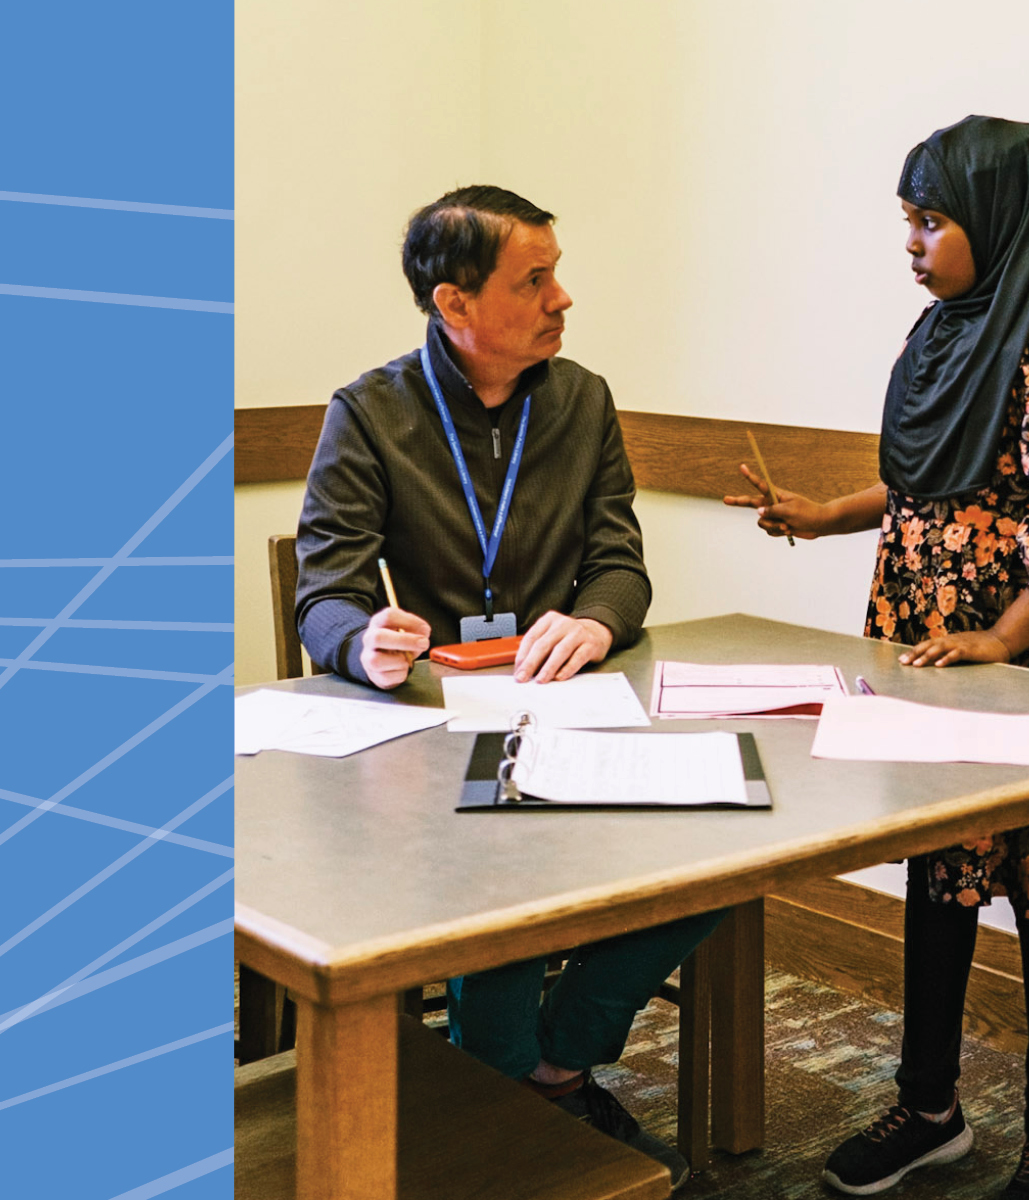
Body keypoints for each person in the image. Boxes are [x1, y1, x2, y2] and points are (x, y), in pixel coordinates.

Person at [725, 117, 1029, 1200]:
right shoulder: (947, 328)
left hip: (1024, 657)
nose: (911, 242)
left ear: (1002, 220)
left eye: (932, 219)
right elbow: (930, 480)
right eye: (907, 220)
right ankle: (929, 1107)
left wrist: (1000, 639)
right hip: (928, 637)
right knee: (940, 865)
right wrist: (822, 515)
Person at [296, 185, 719, 1188]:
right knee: (491, 855)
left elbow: (620, 558)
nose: (562, 298)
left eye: (556, 271)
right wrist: (368, 642)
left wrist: (597, 617)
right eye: (535, 280)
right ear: (454, 304)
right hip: (428, 738)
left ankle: (553, 1057)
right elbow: (325, 592)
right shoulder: (371, 411)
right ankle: (506, 1100)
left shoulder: (582, 401)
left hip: (566, 713)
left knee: (728, 840)